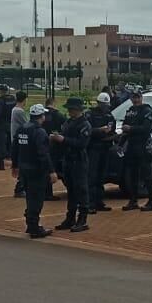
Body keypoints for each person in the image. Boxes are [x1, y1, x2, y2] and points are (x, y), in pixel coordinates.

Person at [14, 104, 54, 238]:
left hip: (24, 169)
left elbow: (15, 148)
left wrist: (15, 165)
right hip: (36, 170)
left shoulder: (22, 129)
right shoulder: (39, 132)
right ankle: (34, 227)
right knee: (37, 199)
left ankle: (30, 224)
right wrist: (51, 171)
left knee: (30, 198)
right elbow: (43, 154)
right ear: (41, 116)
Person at [54, 97, 92, 232]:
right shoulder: (68, 122)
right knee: (71, 190)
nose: (69, 111)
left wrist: (64, 139)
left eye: (72, 109)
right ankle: (70, 218)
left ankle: (83, 219)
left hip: (79, 161)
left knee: (81, 190)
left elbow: (81, 144)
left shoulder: (84, 125)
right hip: (68, 160)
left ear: (78, 110)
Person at [119, 89, 152, 212]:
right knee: (133, 175)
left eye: (137, 97)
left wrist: (131, 128)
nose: (135, 100)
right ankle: (133, 200)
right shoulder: (130, 111)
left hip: (143, 145)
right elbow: (125, 127)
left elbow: (146, 129)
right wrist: (121, 143)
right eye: (133, 97)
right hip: (131, 145)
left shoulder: (147, 111)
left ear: (141, 97)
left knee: (147, 174)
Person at [87, 92, 116, 211]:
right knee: (92, 176)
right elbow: (87, 131)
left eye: (106, 105)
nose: (105, 107)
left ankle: (99, 201)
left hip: (105, 148)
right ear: (98, 103)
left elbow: (112, 130)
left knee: (101, 176)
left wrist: (114, 136)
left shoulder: (109, 116)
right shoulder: (90, 115)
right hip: (93, 148)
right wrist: (99, 131)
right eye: (103, 104)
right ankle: (90, 203)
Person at [9, 91, 30, 196]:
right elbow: (27, 124)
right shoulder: (19, 111)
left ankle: (21, 187)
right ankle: (20, 188)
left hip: (16, 140)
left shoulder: (15, 109)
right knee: (22, 165)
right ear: (24, 99)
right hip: (19, 141)